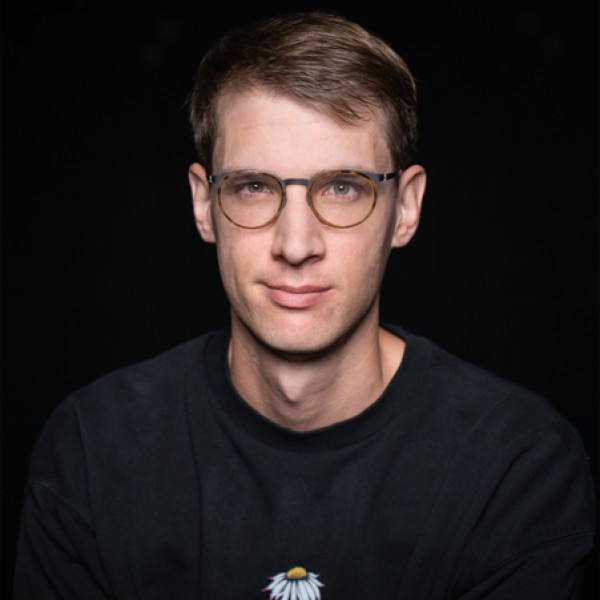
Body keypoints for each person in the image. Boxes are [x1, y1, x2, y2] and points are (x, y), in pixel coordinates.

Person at [14, 11, 595, 600]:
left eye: (343, 188)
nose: (296, 245)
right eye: (253, 187)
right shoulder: (95, 449)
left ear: (406, 208)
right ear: (203, 205)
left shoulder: (516, 464)